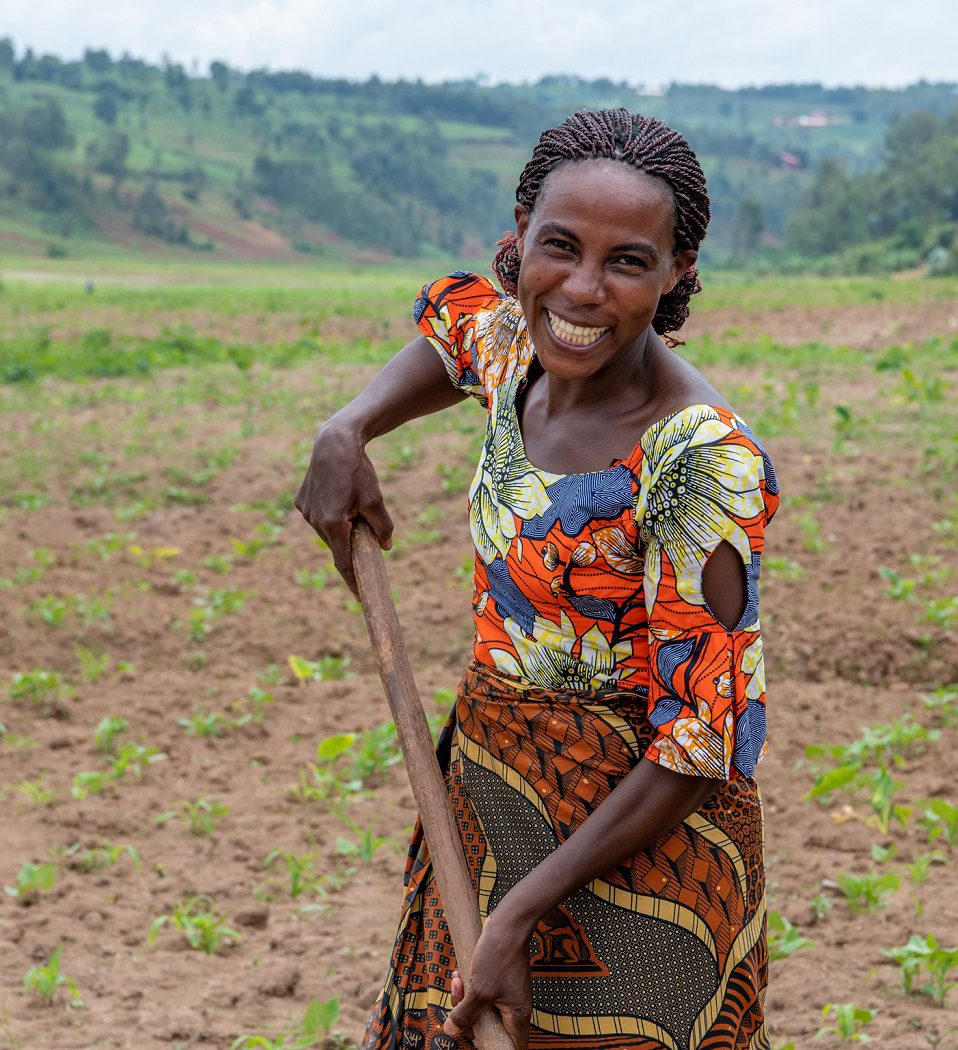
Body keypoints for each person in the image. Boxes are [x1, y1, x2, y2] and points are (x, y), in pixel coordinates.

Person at [296, 108, 779, 1050]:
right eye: (559, 247)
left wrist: (517, 915)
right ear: (519, 240)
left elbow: (704, 739)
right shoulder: (522, 348)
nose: (583, 289)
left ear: (678, 273)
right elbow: (456, 336)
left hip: (642, 845)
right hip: (487, 804)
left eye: (629, 261)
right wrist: (348, 428)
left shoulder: (696, 460)